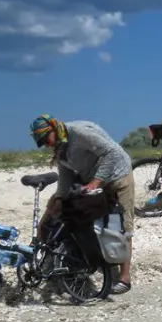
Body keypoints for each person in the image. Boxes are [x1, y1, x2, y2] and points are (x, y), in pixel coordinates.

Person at [30, 114, 136, 295]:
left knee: (122, 224)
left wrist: (96, 182)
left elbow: (112, 153)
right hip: (92, 177)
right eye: (42, 143)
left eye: (46, 139)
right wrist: (58, 200)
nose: (46, 144)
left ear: (53, 129)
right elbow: (65, 176)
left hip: (118, 174)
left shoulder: (79, 133)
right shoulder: (60, 147)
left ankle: (124, 277)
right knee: (60, 206)